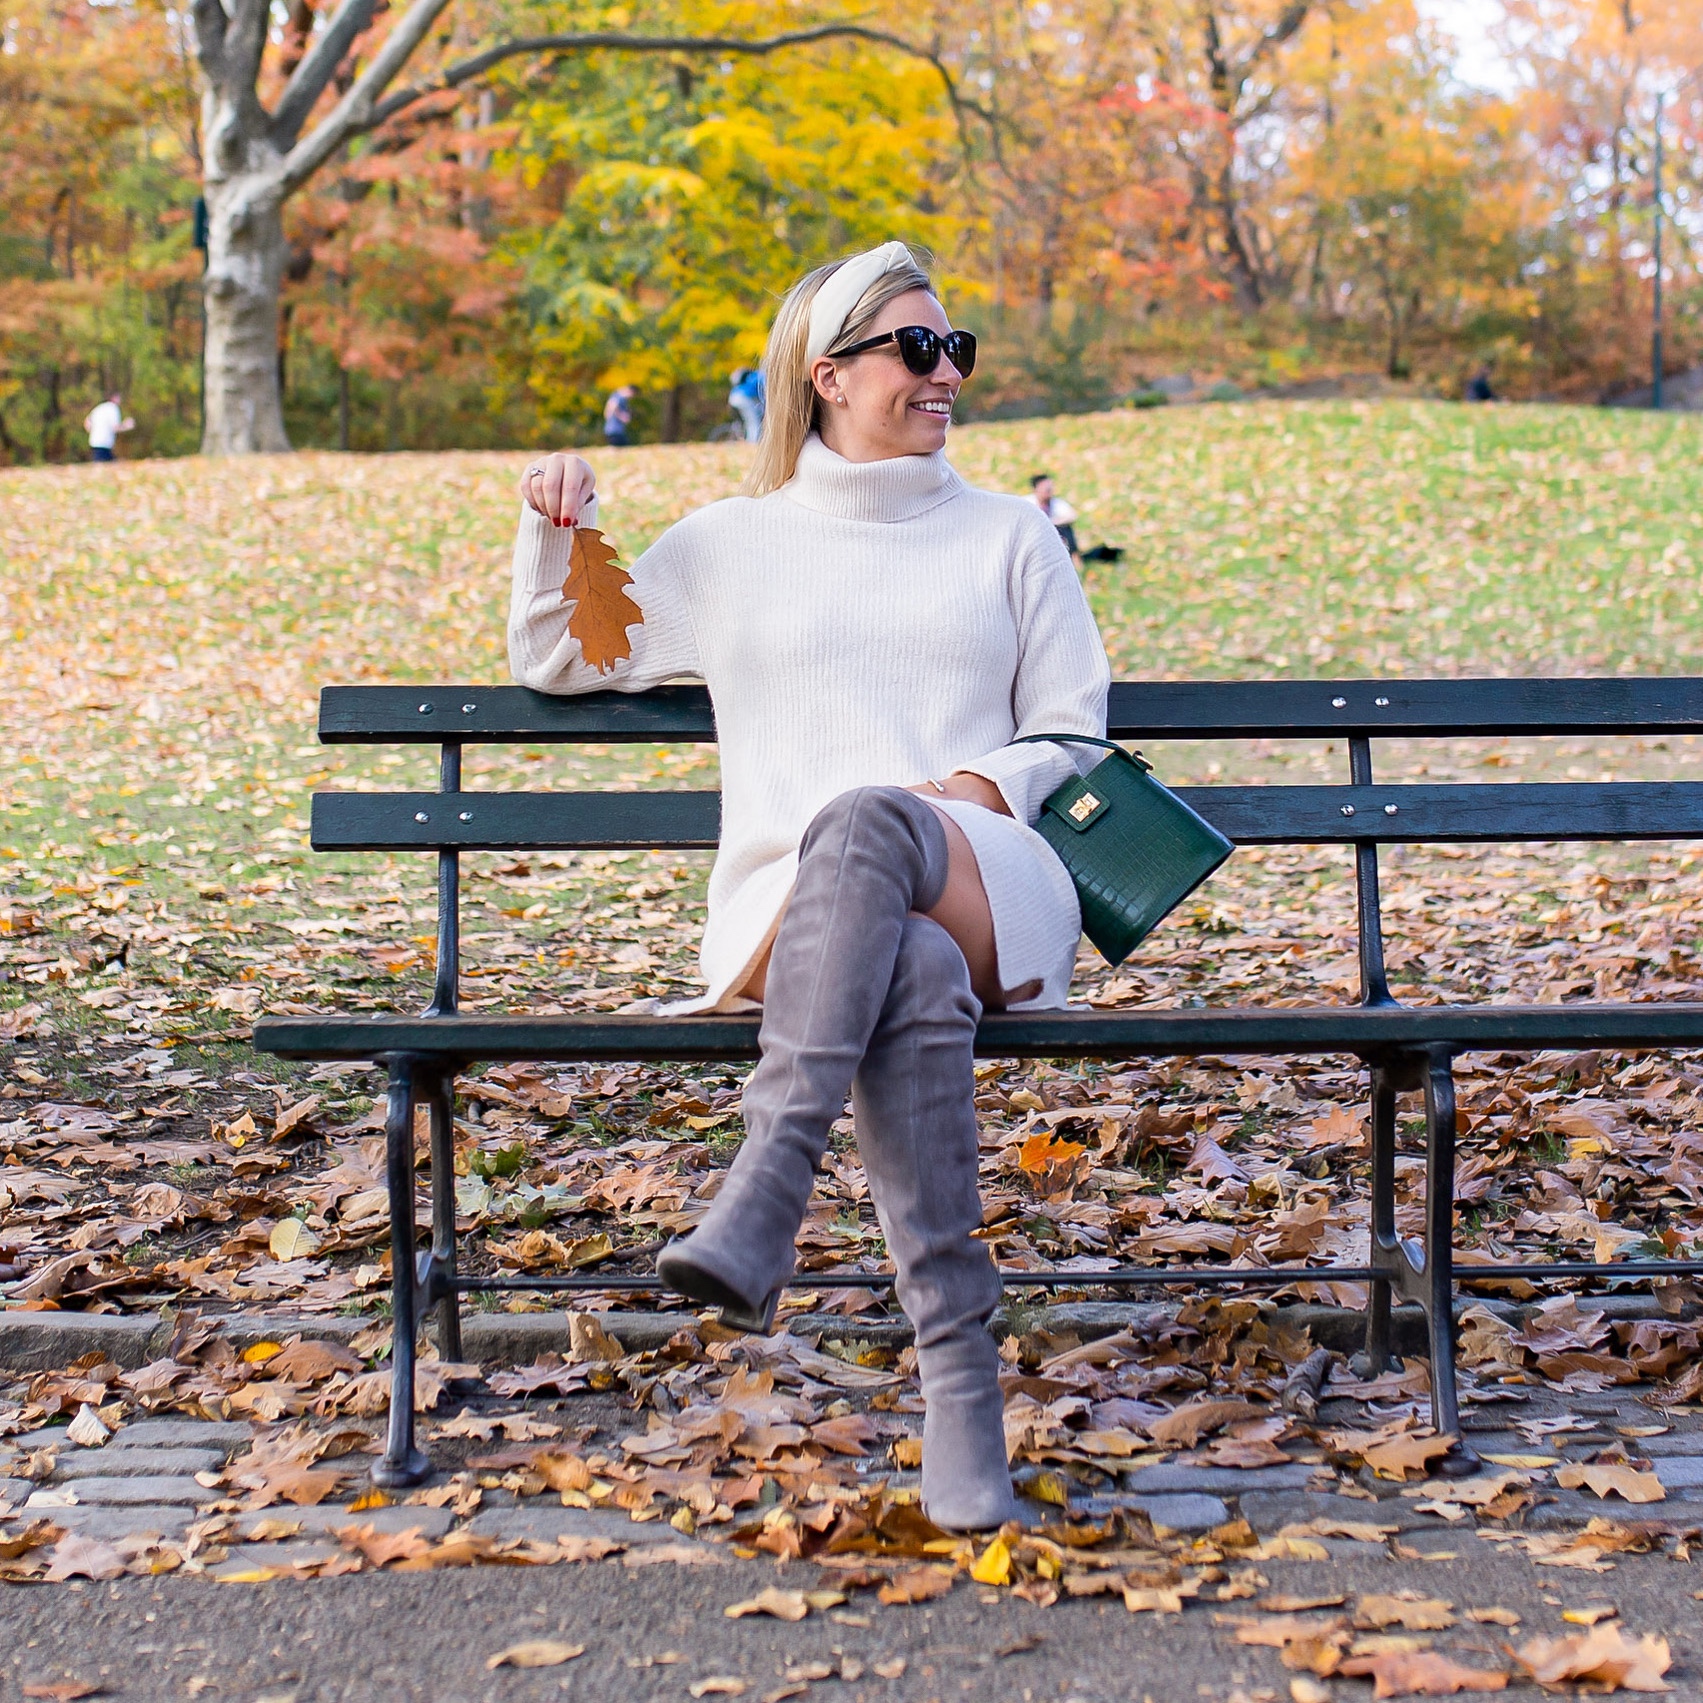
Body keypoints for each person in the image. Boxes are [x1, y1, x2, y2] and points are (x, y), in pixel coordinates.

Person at [511, 241, 1109, 1531]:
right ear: (827, 375)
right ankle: (959, 1383)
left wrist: (973, 785)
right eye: (915, 349)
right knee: (907, 962)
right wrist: (553, 515)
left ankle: (769, 1175)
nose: (943, 372)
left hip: (978, 866)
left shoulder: (1010, 535)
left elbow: (1072, 727)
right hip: (814, 923)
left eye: (955, 349)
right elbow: (567, 650)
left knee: (874, 830)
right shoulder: (733, 546)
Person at [1029, 473, 1080, 561]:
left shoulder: (1056, 503)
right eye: (1045, 489)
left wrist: (1051, 522)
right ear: (1036, 489)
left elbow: (1072, 516)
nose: (1049, 491)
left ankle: (1075, 558)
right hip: (1033, 533)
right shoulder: (1027, 503)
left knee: (1066, 529)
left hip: (1053, 530)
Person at [84, 392, 134, 462]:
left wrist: (95, 432)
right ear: (114, 398)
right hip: (104, 443)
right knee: (105, 465)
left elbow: (87, 423)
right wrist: (126, 425)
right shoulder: (113, 408)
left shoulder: (99, 408)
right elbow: (115, 427)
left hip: (95, 442)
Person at [728, 367, 766, 442]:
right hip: (743, 398)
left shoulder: (751, 375)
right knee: (754, 421)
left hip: (733, 398)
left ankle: (739, 433)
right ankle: (752, 442)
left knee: (747, 419)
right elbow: (766, 388)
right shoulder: (761, 375)